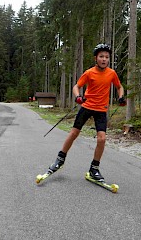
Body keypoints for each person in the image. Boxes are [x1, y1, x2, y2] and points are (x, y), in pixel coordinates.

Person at [48, 43, 126, 182]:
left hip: (101, 110)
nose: (104, 59)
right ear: (96, 58)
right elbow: (76, 86)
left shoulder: (111, 73)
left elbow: (120, 87)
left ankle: (94, 169)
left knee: (102, 139)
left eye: (107, 57)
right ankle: (60, 160)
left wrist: (121, 96)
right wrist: (78, 96)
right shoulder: (89, 73)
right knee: (74, 133)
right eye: (101, 56)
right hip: (87, 106)